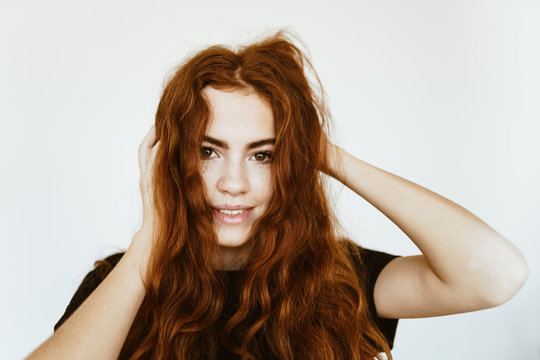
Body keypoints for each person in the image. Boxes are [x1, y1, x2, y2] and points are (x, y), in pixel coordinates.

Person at [27, 30, 529, 360]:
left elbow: (495, 275)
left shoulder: (343, 281)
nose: (233, 182)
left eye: (262, 155)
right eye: (208, 151)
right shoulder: (119, 284)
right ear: (173, 160)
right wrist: (149, 241)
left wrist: (327, 155)